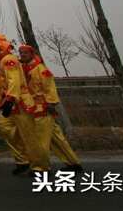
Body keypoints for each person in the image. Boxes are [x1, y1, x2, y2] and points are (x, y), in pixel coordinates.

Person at [0, 34, 49, 175]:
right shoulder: (0, 62)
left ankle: (40, 167)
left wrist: (10, 99)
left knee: (29, 135)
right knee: (5, 128)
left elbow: (14, 80)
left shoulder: (9, 59)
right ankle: (22, 161)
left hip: (19, 102)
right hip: (8, 103)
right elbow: (0, 86)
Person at [19, 44, 82, 172]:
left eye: (25, 53)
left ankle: (40, 167)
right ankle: (73, 163)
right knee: (57, 138)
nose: (22, 55)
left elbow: (50, 87)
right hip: (35, 108)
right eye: (21, 53)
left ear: (32, 54)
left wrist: (51, 104)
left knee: (40, 139)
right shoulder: (25, 69)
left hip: (43, 108)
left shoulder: (41, 69)